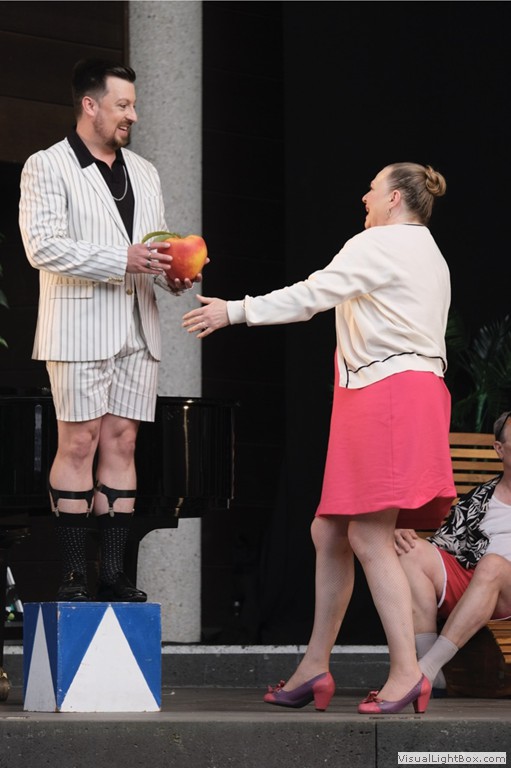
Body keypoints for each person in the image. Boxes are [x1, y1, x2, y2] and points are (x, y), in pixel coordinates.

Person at [182, 161, 456, 715]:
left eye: (373, 189)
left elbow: (313, 295)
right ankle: (314, 666)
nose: (364, 197)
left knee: (369, 537)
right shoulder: (429, 251)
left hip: (388, 394)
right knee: (328, 531)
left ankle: (409, 672)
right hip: (402, 392)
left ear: (395, 198)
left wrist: (235, 311)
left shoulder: (378, 243)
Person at [19, 58, 203, 603]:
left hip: (138, 329)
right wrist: (120, 258)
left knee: (123, 442)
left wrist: (174, 274)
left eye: (134, 105)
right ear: (89, 105)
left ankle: (115, 574)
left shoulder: (144, 171)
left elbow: (154, 249)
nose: (133, 115)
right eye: (122, 105)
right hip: (77, 326)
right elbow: (42, 247)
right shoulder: (47, 165)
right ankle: (75, 573)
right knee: (78, 442)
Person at [394, 410, 511, 694]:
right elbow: (442, 545)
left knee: (493, 565)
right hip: (480, 583)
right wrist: (399, 530)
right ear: (499, 449)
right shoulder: (479, 500)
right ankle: (433, 676)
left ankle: (425, 670)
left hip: (504, 584)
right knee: (412, 550)